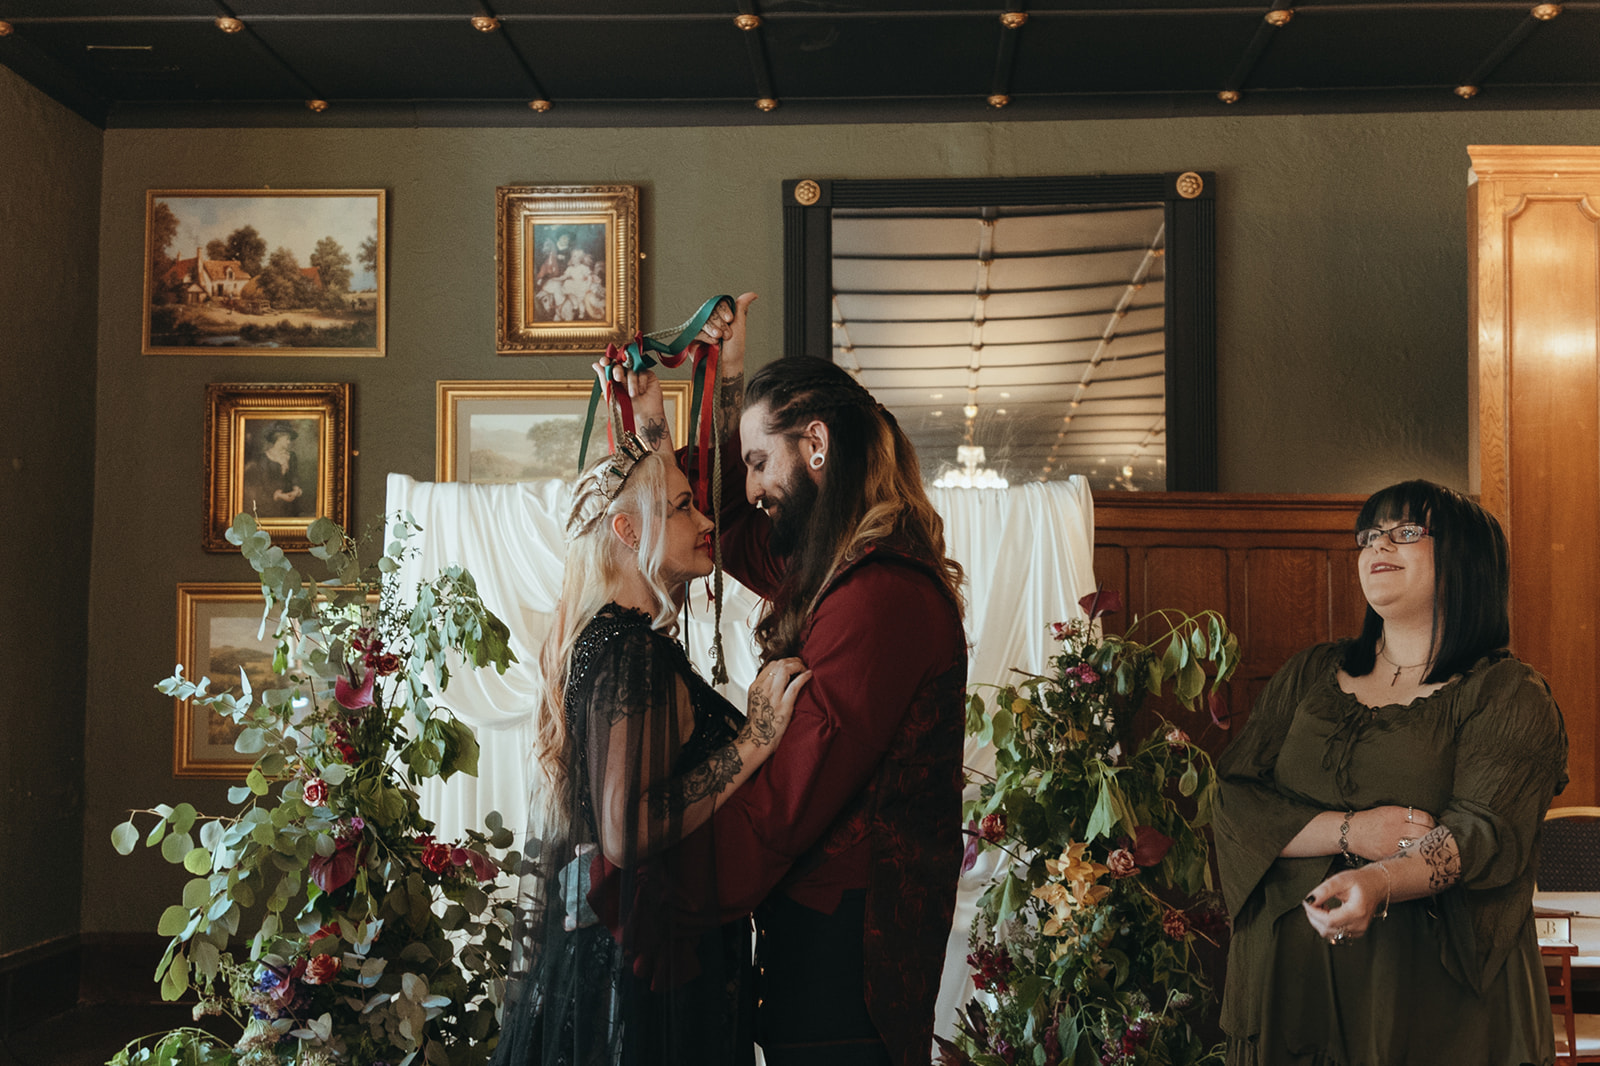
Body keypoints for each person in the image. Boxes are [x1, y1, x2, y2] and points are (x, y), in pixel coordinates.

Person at [627, 293, 969, 1066]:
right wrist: (717, 382)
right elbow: (716, 523)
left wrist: (659, 889)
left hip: (849, 958)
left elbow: (786, 805)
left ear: (815, 444)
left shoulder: (878, 596)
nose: (749, 487)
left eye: (758, 461)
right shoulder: (827, 565)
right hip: (816, 938)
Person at [1214, 479, 1568, 1066]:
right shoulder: (1310, 674)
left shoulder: (1507, 693)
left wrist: (1379, 882)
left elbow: (1484, 833)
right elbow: (1235, 801)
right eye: (1370, 535)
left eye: (1406, 533)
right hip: (1287, 993)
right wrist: (1352, 831)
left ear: (1464, 560)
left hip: (1432, 1006)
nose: (1379, 546)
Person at [493, 431, 812, 1066]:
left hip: (634, 966)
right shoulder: (630, 652)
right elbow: (628, 829)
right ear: (629, 530)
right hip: (645, 989)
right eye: (684, 506)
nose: (706, 520)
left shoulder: (607, 641)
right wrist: (754, 738)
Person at [241, 420, 309, 518]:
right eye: (287, 439)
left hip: (291, 502)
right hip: (271, 503)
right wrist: (280, 495)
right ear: (279, 438)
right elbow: (265, 482)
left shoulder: (292, 456)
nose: (289, 442)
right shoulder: (264, 458)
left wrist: (296, 489)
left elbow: (295, 476)